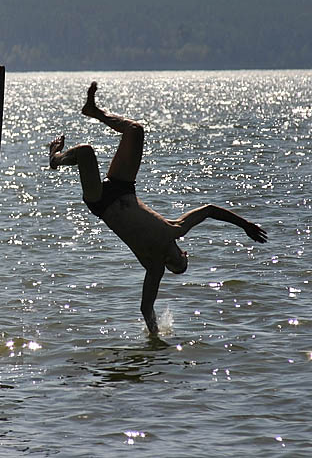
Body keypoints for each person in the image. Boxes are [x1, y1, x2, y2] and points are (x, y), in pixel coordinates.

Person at [49, 82, 267, 335]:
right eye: (178, 262)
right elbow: (209, 210)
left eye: (173, 268)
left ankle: (55, 158)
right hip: (123, 188)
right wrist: (246, 226)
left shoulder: (154, 266)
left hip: (101, 202)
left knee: (86, 152)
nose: (172, 263)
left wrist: (155, 336)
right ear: (183, 253)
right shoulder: (176, 229)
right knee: (135, 131)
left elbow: (145, 307)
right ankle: (94, 111)